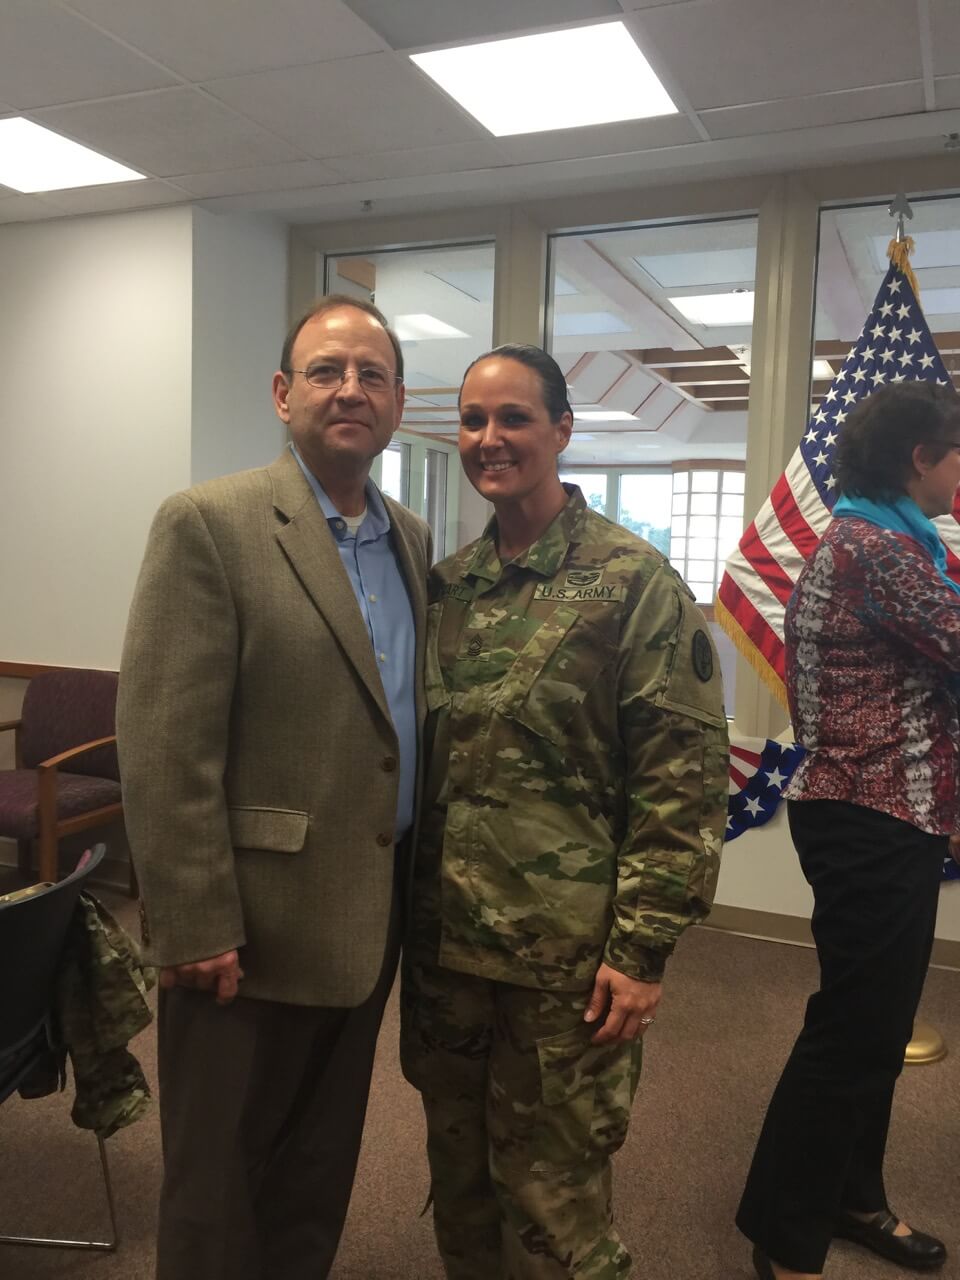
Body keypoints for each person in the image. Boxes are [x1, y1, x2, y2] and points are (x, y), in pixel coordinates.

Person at [117, 295, 431, 1280]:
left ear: (397, 401)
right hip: (245, 933)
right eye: (329, 370)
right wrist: (193, 917)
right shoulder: (211, 523)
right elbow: (167, 739)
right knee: (220, 1181)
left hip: (367, 916)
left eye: (372, 373)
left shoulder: (411, 539)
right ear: (283, 392)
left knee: (317, 1165)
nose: (351, 389)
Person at [400, 343, 729, 1279]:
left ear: (562, 431)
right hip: (446, 952)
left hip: (566, 966)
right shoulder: (448, 587)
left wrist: (642, 949)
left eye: (514, 419)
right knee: (460, 1186)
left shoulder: (632, 584)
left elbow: (684, 779)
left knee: (554, 1205)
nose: (490, 439)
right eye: (472, 421)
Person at [737, 381, 960, 1280]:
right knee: (850, 1035)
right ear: (920, 458)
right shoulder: (876, 549)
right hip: (868, 818)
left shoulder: (896, 541)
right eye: (956, 453)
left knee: (876, 1028)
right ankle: (782, 1237)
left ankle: (852, 1198)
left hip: (894, 814)